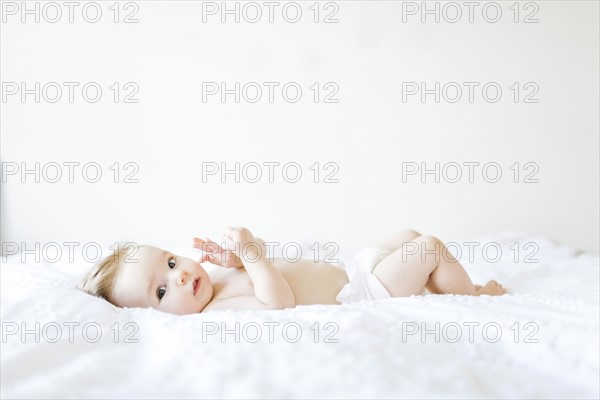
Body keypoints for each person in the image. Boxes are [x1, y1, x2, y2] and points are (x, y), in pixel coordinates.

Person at [78, 228, 505, 315]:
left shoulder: (214, 281)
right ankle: (471, 298)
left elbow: (262, 265)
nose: (180, 276)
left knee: (407, 235)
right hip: (363, 294)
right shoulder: (218, 310)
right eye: (161, 292)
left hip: (351, 270)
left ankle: (445, 285)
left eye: (171, 263)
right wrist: (253, 257)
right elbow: (276, 300)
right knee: (428, 248)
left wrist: (240, 258)